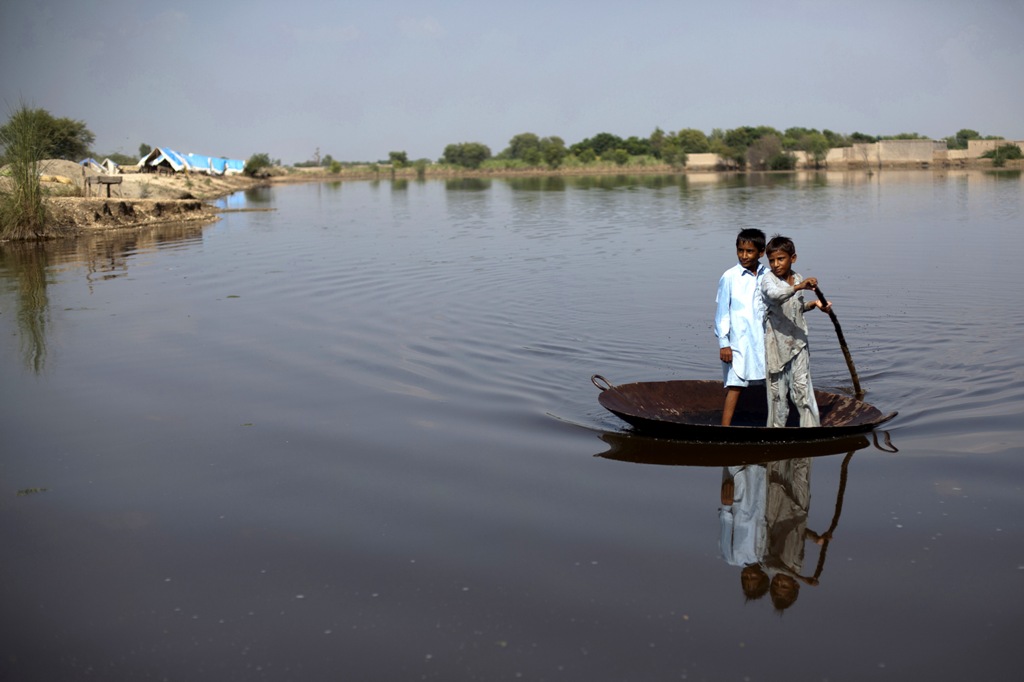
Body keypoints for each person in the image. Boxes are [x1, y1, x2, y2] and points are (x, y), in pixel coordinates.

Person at [760, 235, 831, 428]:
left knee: (803, 390)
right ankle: (776, 433)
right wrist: (799, 287)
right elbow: (775, 296)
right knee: (778, 396)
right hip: (777, 345)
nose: (776, 264)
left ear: (793, 258)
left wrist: (814, 304)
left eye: (780, 259)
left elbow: (796, 307)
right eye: (772, 260)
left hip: (798, 343)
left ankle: (811, 430)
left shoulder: (798, 277)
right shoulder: (768, 280)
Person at [714, 228, 767, 426]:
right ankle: (724, 429)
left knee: (771, 383)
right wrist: (724, 343)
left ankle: (775, 424)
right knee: (736, 385)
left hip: (762, 340)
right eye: (740, 250)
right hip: (737, 341)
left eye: (749, 251)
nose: (744, 256)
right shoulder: (730, 277)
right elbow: (722, 314)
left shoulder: (768, 276)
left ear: (761, 253)